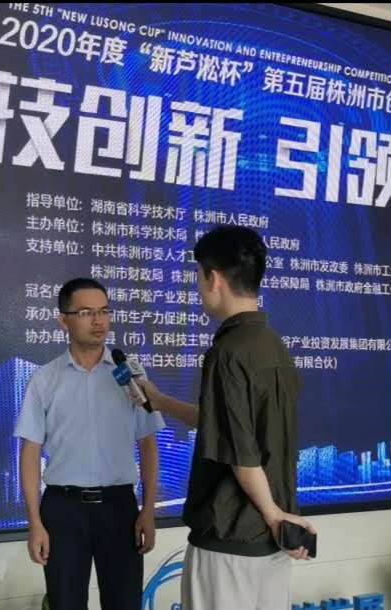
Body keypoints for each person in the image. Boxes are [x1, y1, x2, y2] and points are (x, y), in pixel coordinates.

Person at [135, 225, 315, 610]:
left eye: (198, 276)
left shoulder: (227, 351)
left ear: (213, 278)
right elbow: (229, 424)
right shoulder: (274, 346)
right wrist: (161, 401)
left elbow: (242, 455)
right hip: (271, 540)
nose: (199, 287)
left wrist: (271, 515)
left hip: (230, 538)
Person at [14, 278, 166, 610]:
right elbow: (30, 452)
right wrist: (35, 522)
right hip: (63, 510)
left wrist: (148, 510)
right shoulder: (44, 379)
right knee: (66, 603)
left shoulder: (130, 375)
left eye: (104, 311)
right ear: (63, 320)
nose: (98, 321)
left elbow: (148, 444)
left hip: (119, 508)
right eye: (86, 313)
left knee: (124, 603)